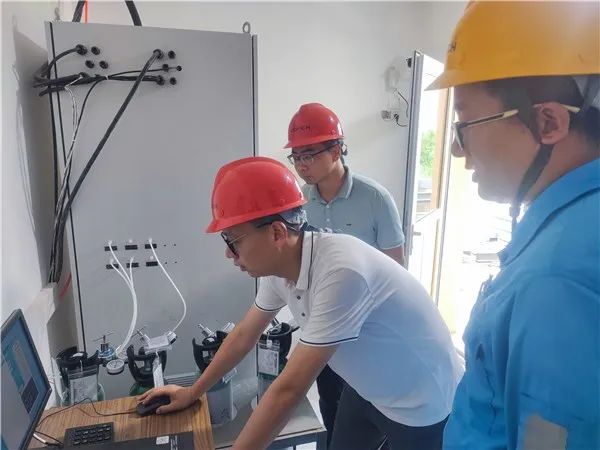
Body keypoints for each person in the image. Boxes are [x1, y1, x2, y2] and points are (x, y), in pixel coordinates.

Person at [140, 156, 463, 450]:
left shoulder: (341, 272)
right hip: (368, 389)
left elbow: (289, 389)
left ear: (277, 233)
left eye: (233, 240)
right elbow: (244, 335)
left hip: (420, 402)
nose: (228, 253)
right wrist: (193, 392)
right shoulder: (281, 268)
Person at [426, 2, 600, 449]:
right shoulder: (575, 224)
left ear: (548, 121)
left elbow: (552, 440)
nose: (457, 150)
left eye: (465, 123)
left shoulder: (558, 276)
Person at [284, 102, 408, 446]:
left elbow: (396, 270)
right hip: (322, 325)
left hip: (369, 331)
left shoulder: (375, 199)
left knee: (373, 408)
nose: (302, 165)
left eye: (309, 154)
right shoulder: (297, 204)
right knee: (331, 402)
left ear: (336, 150)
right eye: (296, 157)